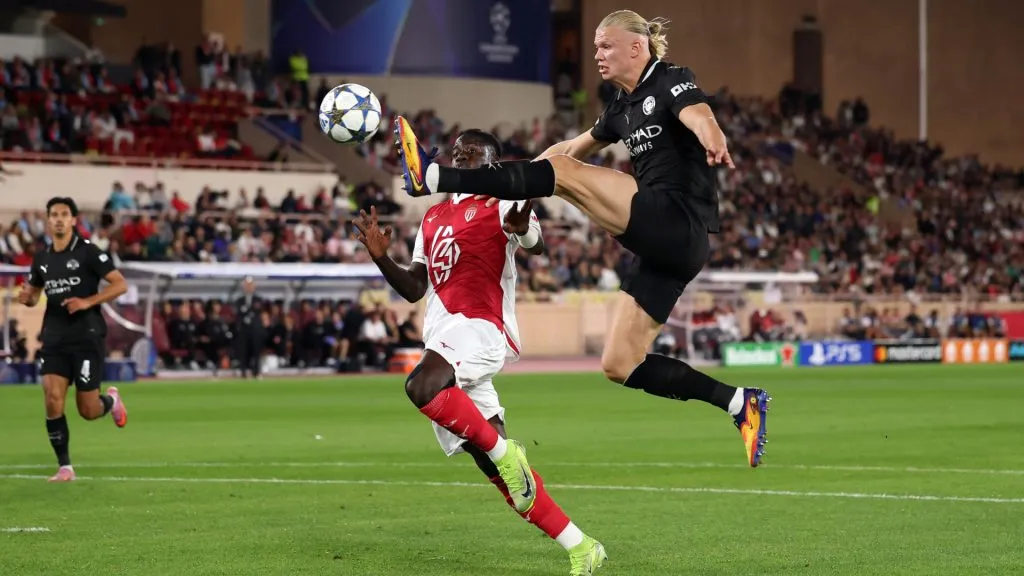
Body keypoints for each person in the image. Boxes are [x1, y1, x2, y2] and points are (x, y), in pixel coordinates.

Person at [392, 10, 771, 468]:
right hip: (664, 250)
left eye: (605, 46)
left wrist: (711, 135)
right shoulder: (620, 107)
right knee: (620, 364)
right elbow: (568, 151)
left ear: (637, 46)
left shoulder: (670, 79)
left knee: (564, 176)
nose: (596, 55)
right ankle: (739, 404)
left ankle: (433, 176)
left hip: (678, 219)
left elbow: (698, 112)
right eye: (595, 47)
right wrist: (523, 173)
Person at [353, 129, 608, 576]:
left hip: (481, 327)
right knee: (497, 471)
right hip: (445, 337)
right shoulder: (431, 219)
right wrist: (380, 257)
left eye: (472, 155)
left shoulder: (502, 200)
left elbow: (534, 241)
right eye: (458, 154)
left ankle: (508, 454)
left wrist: (523, 228)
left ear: (492, 163)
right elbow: (415, 287)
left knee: (421, 385)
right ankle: (582, 545)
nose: (462, 159)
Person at [17, 197, 129, 482]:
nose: (58, 219)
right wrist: (27, 298)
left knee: (88, 410)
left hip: (86, 336)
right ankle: (65, 466)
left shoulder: (89, 252)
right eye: (53, 214)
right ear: (47, 219)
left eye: (64, 214)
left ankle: (111, 401)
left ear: (73, 220)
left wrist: (87, 301)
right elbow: (32, 296)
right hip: (54, 337)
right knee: (53, 398)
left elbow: (120, 284)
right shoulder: (42, 259)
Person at [234, 277, 264, 378]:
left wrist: (247, 311)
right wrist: (247, 312)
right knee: (243, 352)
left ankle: (256, 372)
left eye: (250, 285)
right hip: (244, 331)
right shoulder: (239, 300)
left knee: (256, 352)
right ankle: (243, 373)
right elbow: (239, 313)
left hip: (255, 330)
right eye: (247, 285)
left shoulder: (258, 300)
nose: (249, 287)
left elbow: (258, 312)